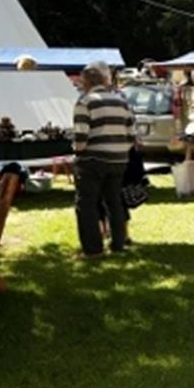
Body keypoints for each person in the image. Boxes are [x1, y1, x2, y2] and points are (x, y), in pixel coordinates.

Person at [72, 62, 134, 258]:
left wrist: (76, 151)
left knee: (87, 204)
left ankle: (93, 249)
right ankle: (118, 243)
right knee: (114, 202)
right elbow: (132, 134)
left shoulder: (85, 102)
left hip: (93, 159)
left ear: (87, 82)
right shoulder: (122, 102)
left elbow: (81, 137)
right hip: (119, 159)